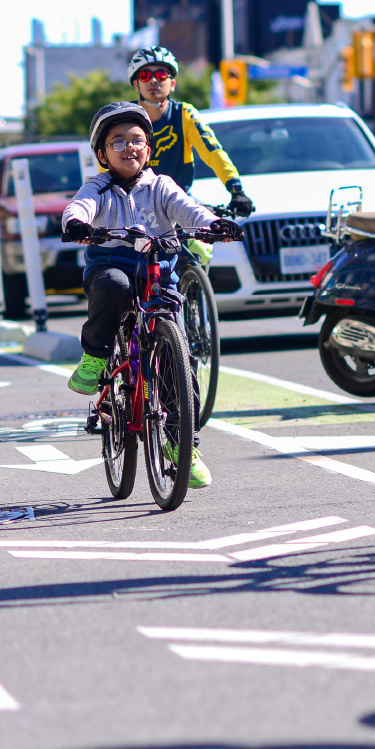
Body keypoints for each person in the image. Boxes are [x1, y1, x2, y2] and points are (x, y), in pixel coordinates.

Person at [61, 102, 241, 489]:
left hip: (158, 273)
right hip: (112, 268)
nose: (129, 147)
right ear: (102, 154)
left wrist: (213, 224)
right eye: (118, 142)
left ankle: (183, 446)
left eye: (137, 140)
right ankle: (94, 358)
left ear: (149, 147)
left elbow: (188, 209)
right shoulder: (99, 187)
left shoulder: (160, 185)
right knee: (115, 286)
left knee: (184, 362)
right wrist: (76, 222)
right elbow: (80, 206)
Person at [127, 46, 254, 215]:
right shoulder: (123, 118)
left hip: (178, 207)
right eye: (145, 75)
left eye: (161, 75)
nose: (153, 80)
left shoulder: (185, 114)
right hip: (132, 210)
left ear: (172, 84)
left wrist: (236, 190)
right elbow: (107, 168)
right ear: (136, 84)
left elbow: (213, 152)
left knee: (204, 241)